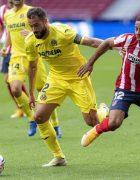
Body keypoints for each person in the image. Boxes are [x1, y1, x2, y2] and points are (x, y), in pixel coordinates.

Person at [78, 14, 140, 171]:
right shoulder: (127, 39)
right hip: (125, 89)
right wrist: (90, 63)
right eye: (136, 28)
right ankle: (97, 128)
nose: (138, 32)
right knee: (113, 124)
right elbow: (106, 43)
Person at [25, 7, 108, 167]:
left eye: (36, 25)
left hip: (78, 77)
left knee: (92, 122)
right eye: (31, 26)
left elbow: (90, 42)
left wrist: (115, 46)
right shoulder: (30, 41)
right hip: (56, 79)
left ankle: (102, 110)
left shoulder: (63, 32)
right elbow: (33, 66)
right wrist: (30, 93)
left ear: (45, 21)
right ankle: (59, 157)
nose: (34, 30)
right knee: (39, 117)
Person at [2, 0, 61, 137]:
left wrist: (30, 34)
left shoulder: (32, 11)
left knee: (43, 91)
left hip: (34, 56)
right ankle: (31, 118)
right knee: (15, 88)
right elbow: (9, 33)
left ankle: (56, 124)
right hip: (16, 56)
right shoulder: (7, 15)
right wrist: (6, 47)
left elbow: (43, 31)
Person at [0, 0, 27, 118]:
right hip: (9, 50)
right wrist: (4, 46)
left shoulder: (26, 10)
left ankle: (30, 107)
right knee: (8, 80)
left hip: (24, 50)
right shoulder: (3, 11)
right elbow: (2, 29)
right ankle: (20, 108)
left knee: (16, 82)